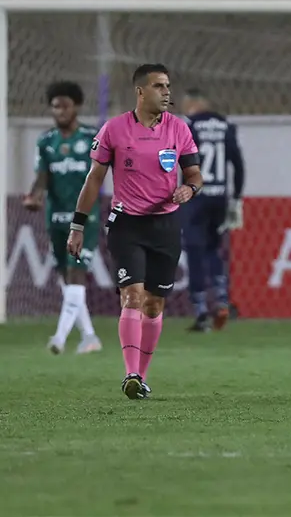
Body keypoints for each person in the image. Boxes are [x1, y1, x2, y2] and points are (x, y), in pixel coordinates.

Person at [68, 64, 202, 400]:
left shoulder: (179, 129)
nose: (167, 91)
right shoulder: (114, 129)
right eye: (159, 86)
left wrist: (189, 190)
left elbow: (194, 174)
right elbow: (94, 179)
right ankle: (129, 372)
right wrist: (77, 225)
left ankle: (140, 377)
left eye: (168, 85)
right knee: (132, 296)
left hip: (166, 225)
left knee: (155, 305)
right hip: (127, 223)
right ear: (140, 91)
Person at [23, 81, 102, 355]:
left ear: (76, 107)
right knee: (66, 278)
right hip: (55, 218)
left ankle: (59, 337)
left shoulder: (92, 138)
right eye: (55, 106)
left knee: (75, 272)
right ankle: (89, 336)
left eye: (65, 106)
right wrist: (34, 196)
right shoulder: (46, 141)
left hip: (84, 219)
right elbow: (42, 176)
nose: (60, 111)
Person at [181, 88, 245, 332]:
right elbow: (238, 164)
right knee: (213, 248)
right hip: (220, 197)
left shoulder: (188, 125)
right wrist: (236, 198)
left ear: (193, 104)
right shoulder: (225, 125)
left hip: (195, 197)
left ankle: (201, 313)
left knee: (194, 251)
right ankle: (221, 299)